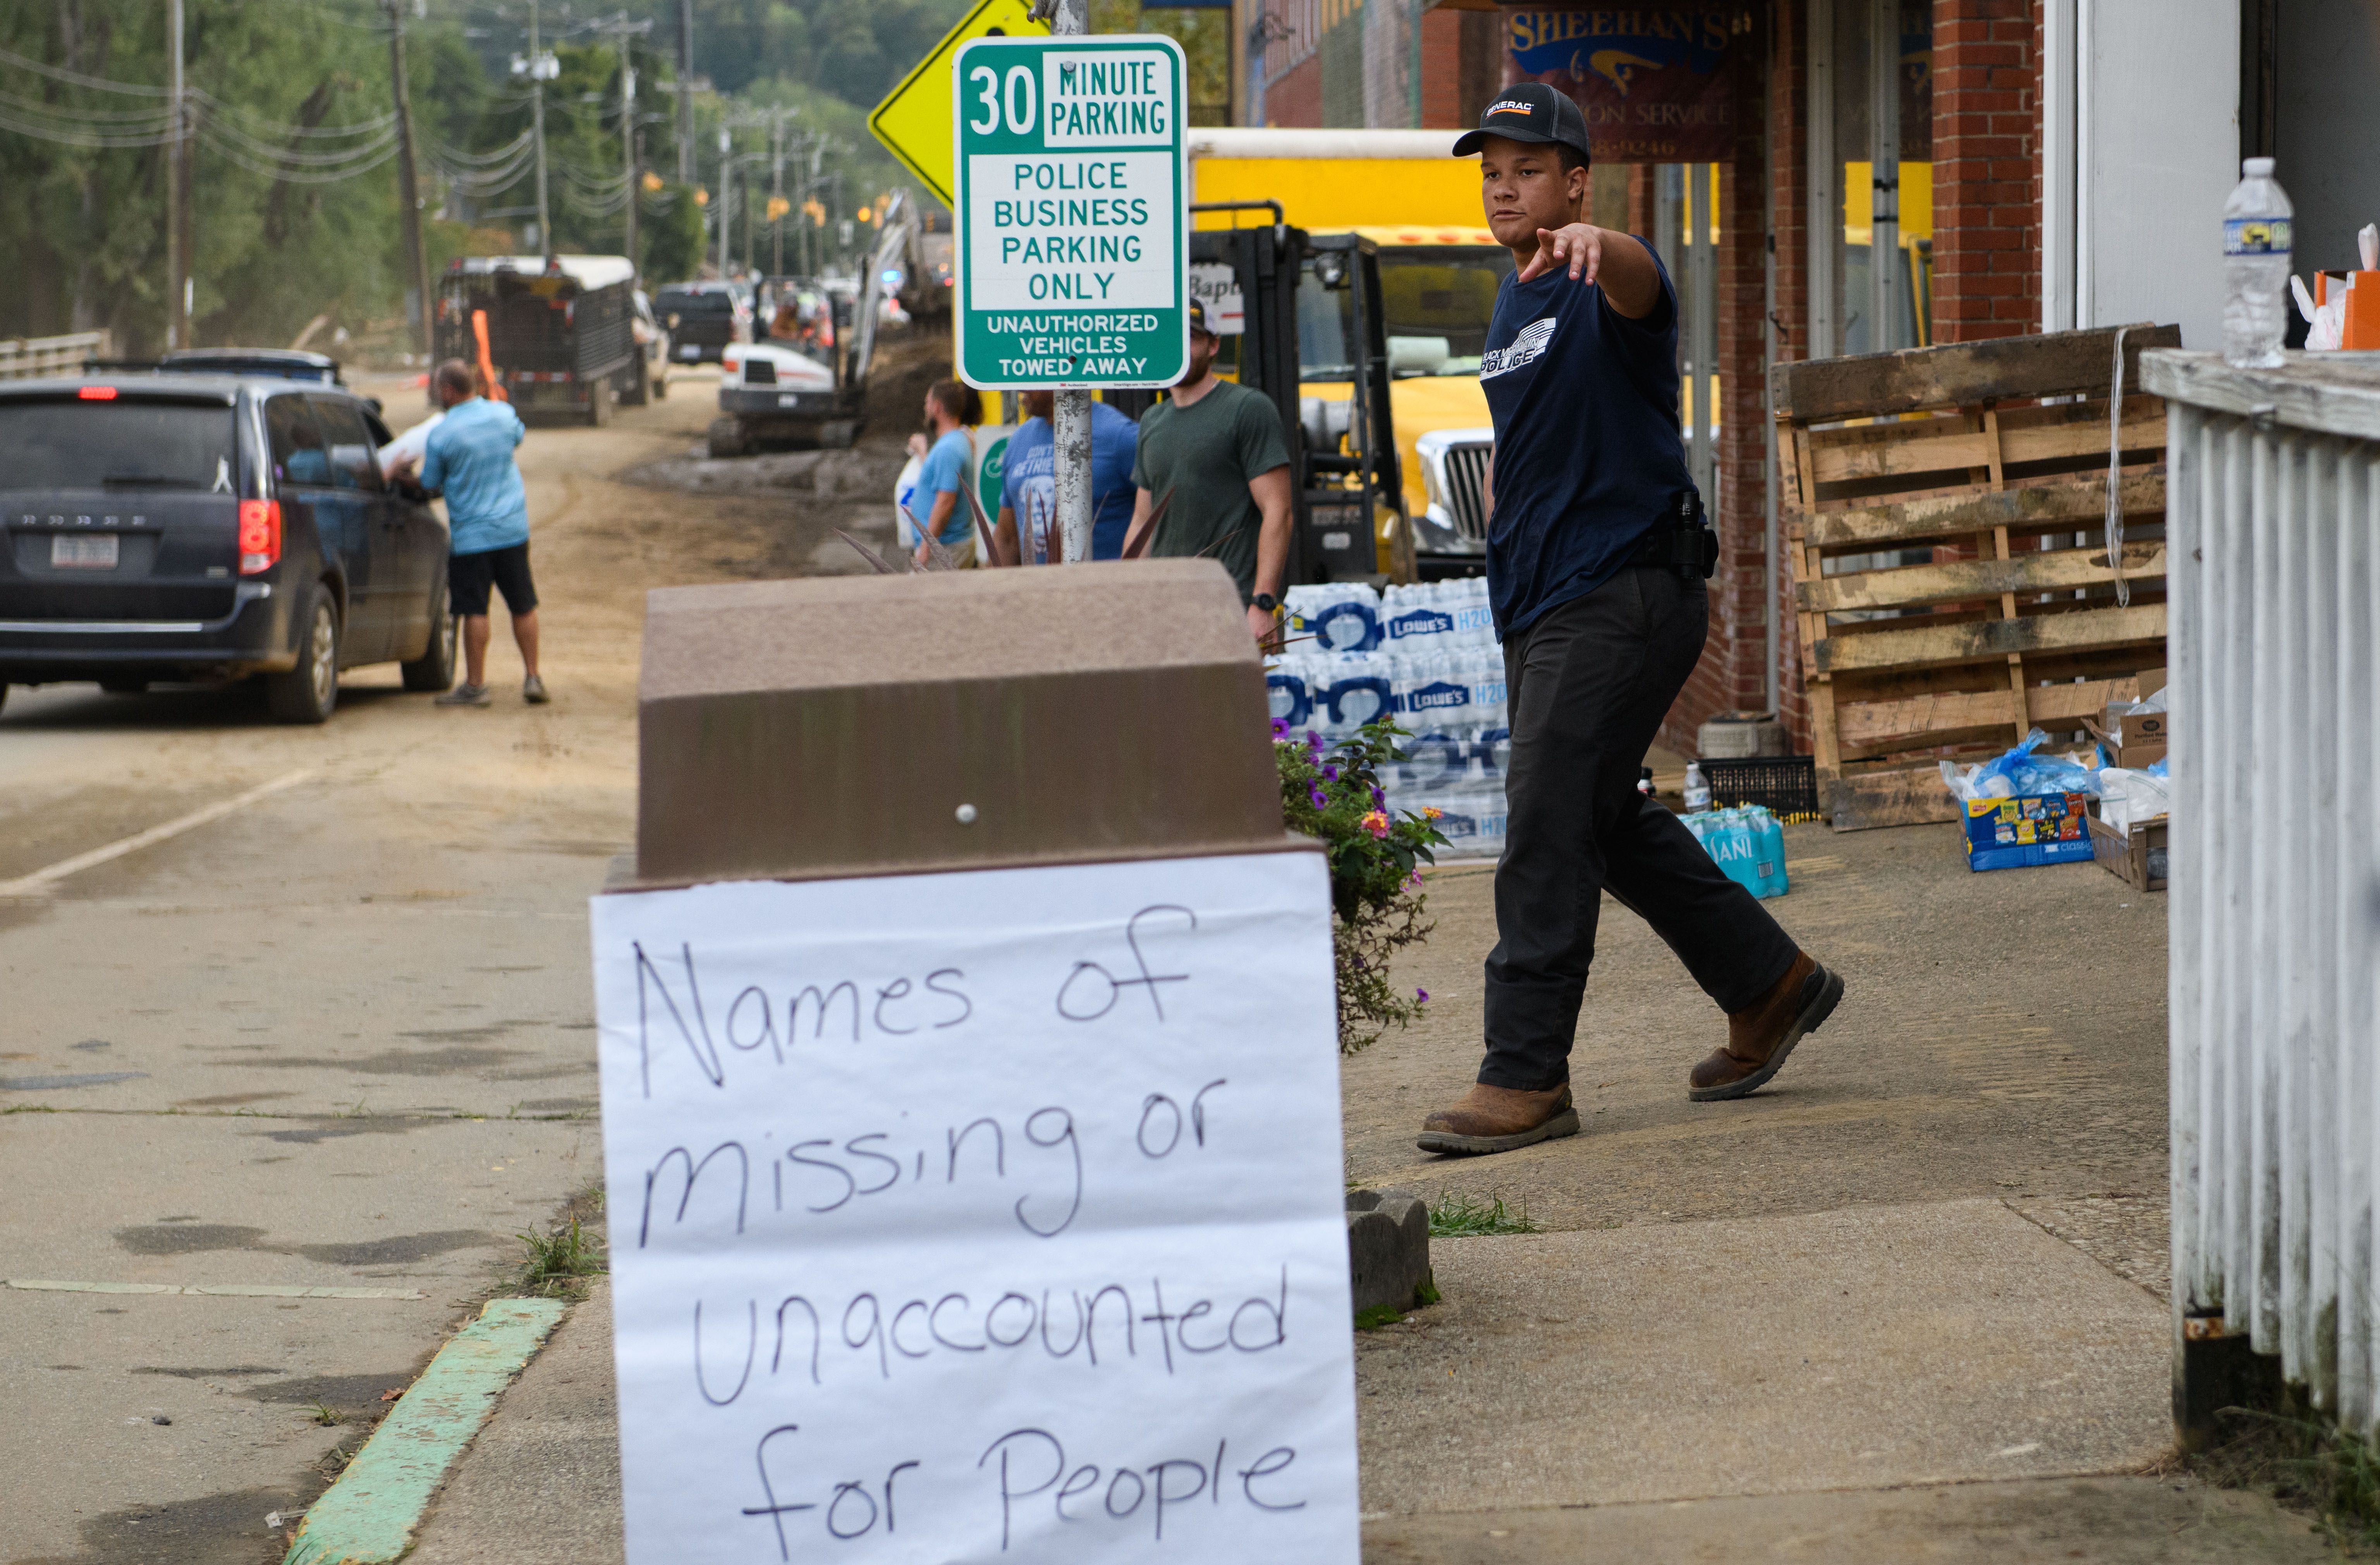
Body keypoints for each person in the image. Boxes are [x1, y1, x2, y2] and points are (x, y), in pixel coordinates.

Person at [1415, 83, 1843, 1157]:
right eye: (1490, 170)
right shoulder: (1515, 300)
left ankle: (1525, 1075)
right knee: (1603, 820)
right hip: (1547, 600)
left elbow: (1648, 290)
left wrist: (1605, 247)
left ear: (1575, 181)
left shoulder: (1606, 276)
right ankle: (1770, 983)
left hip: (1628, 591)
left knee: (1548, 824)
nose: (1505, 185)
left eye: (1527, 168)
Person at [1119, 299, 1295, 646]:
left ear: (1213, 345)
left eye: (1191, 338)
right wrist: (1128, 597)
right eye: (1171, 339)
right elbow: (1142, 521)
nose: (1180, 349)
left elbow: (1279, 511)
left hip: (1229, 605)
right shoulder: (1153, 421)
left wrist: (1262, 603)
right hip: (1164, 607)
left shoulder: (1247, 408)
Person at [413, 358, 546, 707]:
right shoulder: (503, 415)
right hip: (512, 529)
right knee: (523, 604)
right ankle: (533, 677)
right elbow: (517, 437)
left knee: (475, 610)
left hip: (472, 538)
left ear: (447, 390)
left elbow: (428, 483)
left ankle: (475, 687)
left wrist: (401, 475)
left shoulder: (442, 434)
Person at [992, 389, 1138, 564]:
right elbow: (1006, 538)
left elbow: (1153, 520)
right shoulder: (1019, 440)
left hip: (1105, 587)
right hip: (1037, 588)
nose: (1021, 388)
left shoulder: (1120, 436)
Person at [902, 380, 981, 567]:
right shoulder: (957, 441)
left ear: (937, 407)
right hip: (949, 546)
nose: (925, 408)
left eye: (927, 403)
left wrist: (926, 549)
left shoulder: (949, 449)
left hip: (945, 549)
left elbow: (945, 501)